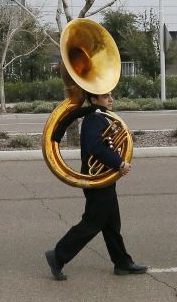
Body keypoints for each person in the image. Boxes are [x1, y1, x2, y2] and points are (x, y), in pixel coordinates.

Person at [45, 92, 146, 281]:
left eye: (111, 96)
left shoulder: (102, 118)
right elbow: (96, 148)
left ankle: (122, 262)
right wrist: (119, 163)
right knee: (93, 222)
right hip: (97, 178)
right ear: (93, 100)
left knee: (111, 223)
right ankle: (58, 255)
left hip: (103, 178)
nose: (111, 99)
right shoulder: (94, 119)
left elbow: (105, 145)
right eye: (105, 96)